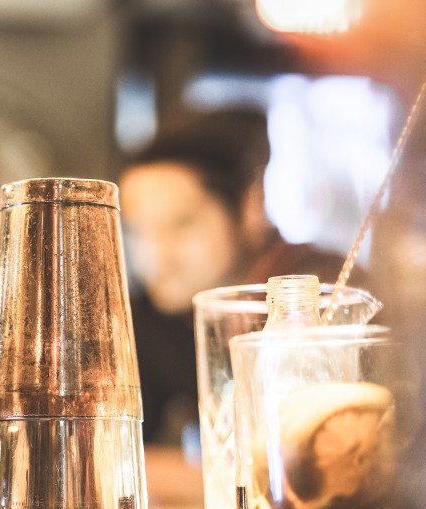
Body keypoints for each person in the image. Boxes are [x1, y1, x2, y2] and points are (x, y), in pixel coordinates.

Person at [118, 109, 365, 449]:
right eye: (138, 231)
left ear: (252, 205)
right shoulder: (142, 320)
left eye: (180, 224)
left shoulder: (320, 290)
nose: (155, 258)